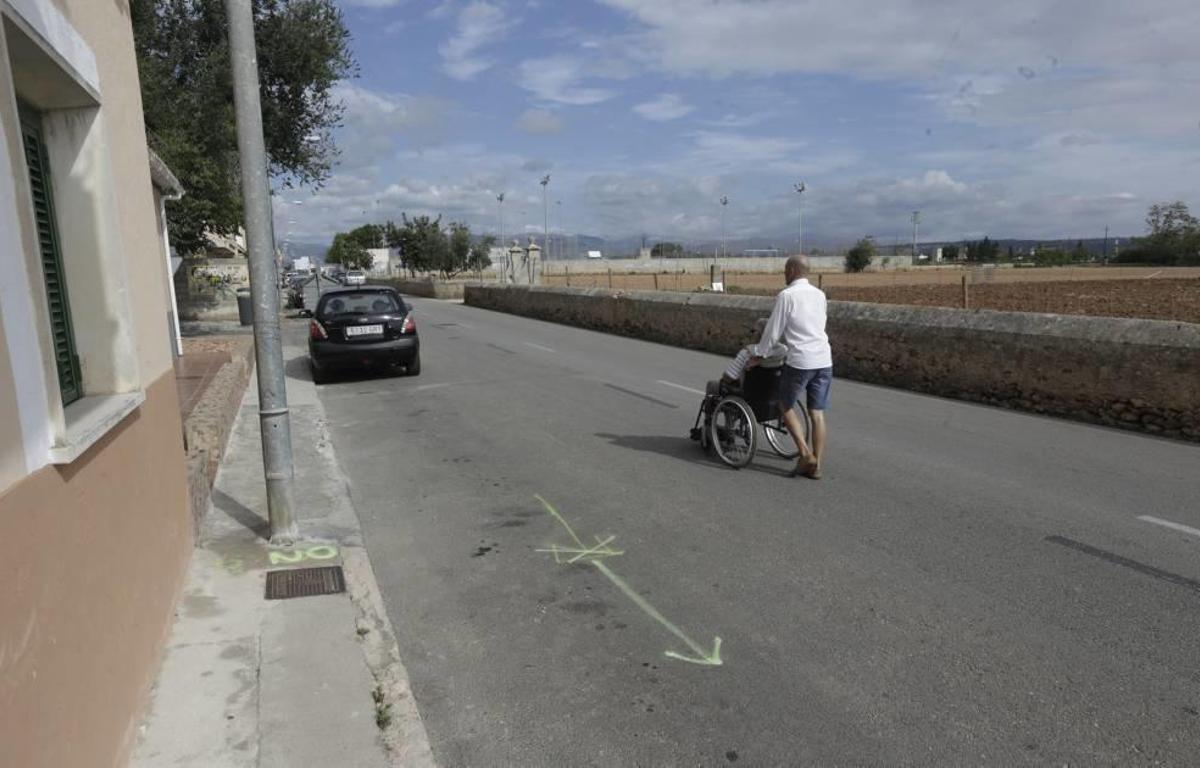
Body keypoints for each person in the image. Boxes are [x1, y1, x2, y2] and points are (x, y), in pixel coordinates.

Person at [750, 255, 832, 479]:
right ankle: (817, 464)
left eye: (786, 269)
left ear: (794, 269)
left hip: (801, 360)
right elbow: (818, 324)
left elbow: (773, 331)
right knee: (817, 413)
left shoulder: (787, 296)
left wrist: (759, 354)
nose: (784, 273)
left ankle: (805, 455)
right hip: (824, 359)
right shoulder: (820, 295)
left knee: (784, 405)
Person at [720, 318, 786, 387]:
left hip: (749, 393)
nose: (750, 334)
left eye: (753, 331)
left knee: (713, 385)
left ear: (761, 334)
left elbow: (729, 377)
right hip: (774, 393)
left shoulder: (747, 352)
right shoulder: (783, 352)